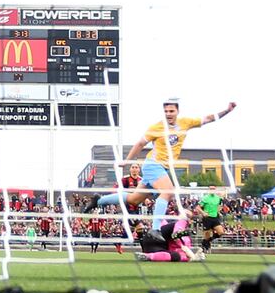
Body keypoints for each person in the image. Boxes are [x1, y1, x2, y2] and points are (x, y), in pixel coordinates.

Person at [86, 99, 236, 230]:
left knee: (134, 199)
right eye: (166, 111)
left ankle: (98, 200)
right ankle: (156, 229)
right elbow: (140, 144)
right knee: (168, 191)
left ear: (177, 111)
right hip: (152, 165)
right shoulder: (156, 127)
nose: (169, 114)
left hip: (161, 168)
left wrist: (228, 111)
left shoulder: (186, 123)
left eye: (171, 110)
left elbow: (209, 118)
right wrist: (127, 160)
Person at [135, 211, 203, 262]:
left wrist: (193, 256)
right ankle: (148, 256)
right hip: (157, 237)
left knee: (176, 256)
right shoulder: (179, 222)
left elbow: (181, 248)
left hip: (154, 245)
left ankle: (147, 256)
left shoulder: (186, 237)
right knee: (176, 255)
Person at [113, 163, 142, 254]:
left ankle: (118, 242)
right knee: (139, 227)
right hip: (128, 207)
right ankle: (145, 248)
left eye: (136, 167)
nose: (134, 169)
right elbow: (115, 189)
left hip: (137, 207)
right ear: (130, 169)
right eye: (132, 167)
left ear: (139, 170)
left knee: (135, 229)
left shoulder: (142, 180)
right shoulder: (125, 179)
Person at [194, 186, 225, 254]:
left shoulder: (217, 198)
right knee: (207, 235)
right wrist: (203, 213)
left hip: (215, 217)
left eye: (213, 189)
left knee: (221, 232)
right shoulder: (205, 198)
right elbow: (197, 207)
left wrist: (218, 211)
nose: (212, 190)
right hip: (207, 218)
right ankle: (204, 247)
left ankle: (207, 242)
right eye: (211, 189)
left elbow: (219, 205)